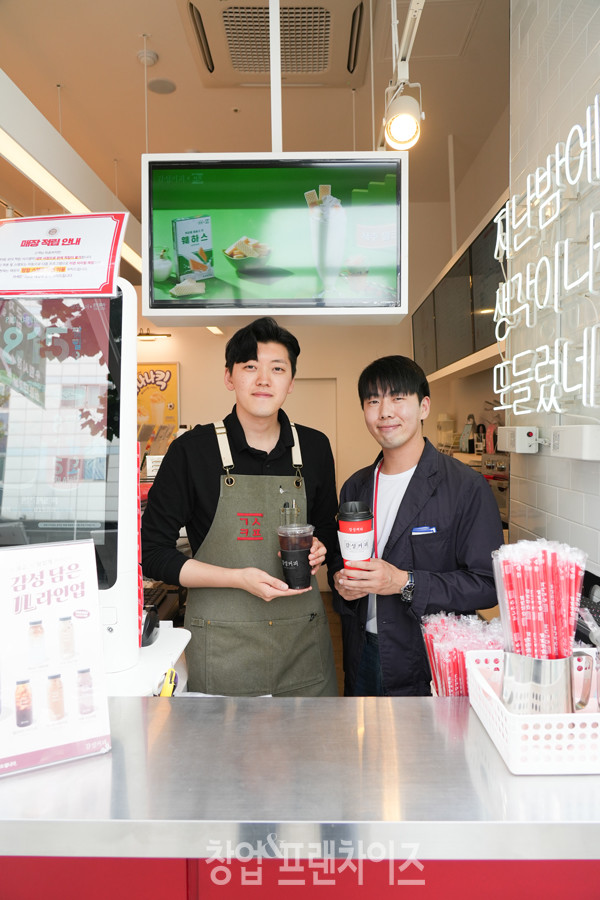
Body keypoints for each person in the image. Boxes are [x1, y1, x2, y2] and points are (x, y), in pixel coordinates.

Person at [141, 316, 338, 696]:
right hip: (221, 650)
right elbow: (152, 553)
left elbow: (328, 528)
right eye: (250, 367)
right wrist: (236, 578)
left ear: (291, 381)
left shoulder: (314, 448)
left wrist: (321, 547)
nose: (264, 379)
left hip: (303, 648)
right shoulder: (191, 451)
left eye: (277, 369)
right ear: (229, 377)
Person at [330, 355, 503, 696]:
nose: (385, 411)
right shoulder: (355, 486)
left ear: (423, 406)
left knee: (425, 750)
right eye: (373, 400)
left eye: (398, 397)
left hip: (428, 656)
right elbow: (342, 564)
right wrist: (342, 585)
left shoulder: (465, 486)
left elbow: (487, 585)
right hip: (361, 651)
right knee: (363, 748)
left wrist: (402, 582)